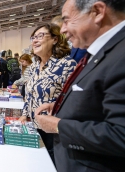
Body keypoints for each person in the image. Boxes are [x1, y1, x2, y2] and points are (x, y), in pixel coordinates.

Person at [35, 0, 125, 171]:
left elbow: (120, 134)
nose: (62, 29)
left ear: (97, 12)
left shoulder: (120, 54)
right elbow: (99, 101)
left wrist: (58, 125)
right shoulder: (101, 53)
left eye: (67, 20)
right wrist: (59, 106)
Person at [18, 23, 77, 162]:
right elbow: (29, 95)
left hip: (53, 131)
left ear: (55, 39)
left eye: (40, 36)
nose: (35, 40)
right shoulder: (33, 67)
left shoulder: (66, 65)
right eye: (33, 37)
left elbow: (73, 102)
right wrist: (24, 115)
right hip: (32, 128)